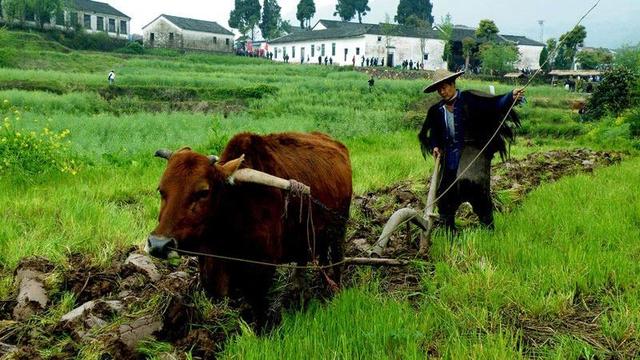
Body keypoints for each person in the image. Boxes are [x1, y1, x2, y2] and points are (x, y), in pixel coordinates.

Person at [418, 69, 524, 233]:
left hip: (472, 152)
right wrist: (435, 146)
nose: (442, 92)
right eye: (439, 90)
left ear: (453, 84)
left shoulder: (470, 99)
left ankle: (487, 227)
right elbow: (434, 134)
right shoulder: (436, 111)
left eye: (444, 87)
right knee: (445, 192)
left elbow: (494, 104)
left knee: (474, 186)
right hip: (449, 158)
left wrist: (510, 96)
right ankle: (448, 229)